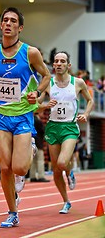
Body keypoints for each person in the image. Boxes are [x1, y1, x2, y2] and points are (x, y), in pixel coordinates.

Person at [0, 7, 51, 228]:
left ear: (19, 27)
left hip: (22, 115)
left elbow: (46, 76)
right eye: (5, 20)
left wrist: (37, 93)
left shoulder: (31, 53)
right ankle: (13, 211)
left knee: (19, 168)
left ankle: (30, 145)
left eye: (13, 21)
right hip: (0, 114)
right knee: (5, 168)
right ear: (1, 25)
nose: (8, 23)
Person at [38, 51, 94, 214]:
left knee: (62, 163)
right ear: (53, 65)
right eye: (56, 61)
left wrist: (85, 114)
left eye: (62, 61)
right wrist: (45, 106)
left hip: (69, 127)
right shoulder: (48, 83)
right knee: (56, 169)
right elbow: (37, 104)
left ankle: (69, 173)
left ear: (68, 65)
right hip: (53, 127)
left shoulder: (78, 82)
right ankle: (66, 201)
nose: (59, 63)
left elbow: (90, 100)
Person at [30, 111, 50, 182]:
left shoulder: (31, 119)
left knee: (33, 161)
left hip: (31, 142)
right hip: (38, 143)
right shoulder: (38, 120)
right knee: (40, 160)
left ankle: (32, 176)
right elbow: (43, 130)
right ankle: (41, 176)